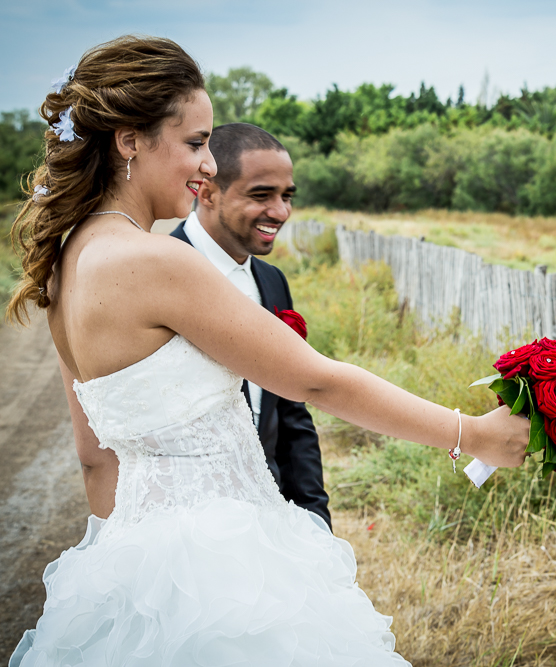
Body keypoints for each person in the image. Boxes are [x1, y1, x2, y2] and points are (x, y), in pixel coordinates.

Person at [8, 35, 528, 666]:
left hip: (132, 560)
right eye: (195, 142)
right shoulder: (155, 260)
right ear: (130, 140)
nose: (208, 165)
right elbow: (317, 382)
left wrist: (134, 578)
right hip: (225, 564)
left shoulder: (65, 267)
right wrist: (471, 433)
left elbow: (96, 458)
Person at [170, 122, 330, 529]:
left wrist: (315, 520)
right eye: (262, 195)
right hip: (186, 524)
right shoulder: (161, 272)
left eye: (287, 196)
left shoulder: (273, 281)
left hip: (269, 512)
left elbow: (293, 415)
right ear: (206, 192)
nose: (280, 212)